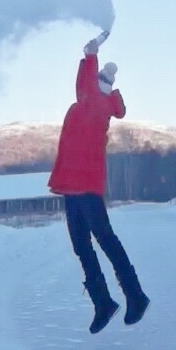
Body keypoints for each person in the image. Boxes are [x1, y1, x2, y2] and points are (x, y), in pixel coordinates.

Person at [49, 37, 150, 334]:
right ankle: (103, 302)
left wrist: (91, 54)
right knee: (82, 245)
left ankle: (135, 295)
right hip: (71, 186)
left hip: (86, 186)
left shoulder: (97, 108)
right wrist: (88, 57)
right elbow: (84, 88)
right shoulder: (84, 107)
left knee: (105, 240)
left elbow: (86, 90)